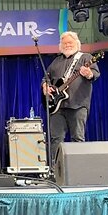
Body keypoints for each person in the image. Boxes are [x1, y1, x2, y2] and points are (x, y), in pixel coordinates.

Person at [42, 31, 100, 161]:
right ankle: (56, 169)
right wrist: (45, 86)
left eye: (70, 42)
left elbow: (95, 74)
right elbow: (46, 78)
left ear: (77, 44)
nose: (67, 45)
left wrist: (88, 73)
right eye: (64, 43)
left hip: (78, 105)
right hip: (57, 107)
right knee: (56, 138)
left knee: (77, 138)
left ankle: (78, 168)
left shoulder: (85, 57)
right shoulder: (56, 61)